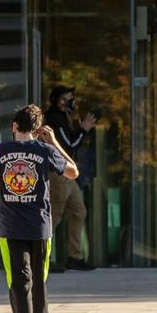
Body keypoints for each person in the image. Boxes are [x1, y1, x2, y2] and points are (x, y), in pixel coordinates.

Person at [0, 103, 75, 313]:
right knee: (39, 283)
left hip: (11, 228)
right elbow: (73, 172)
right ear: (37, 130)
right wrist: (55, 142)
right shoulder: (44, 149)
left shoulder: (2, 151)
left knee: (19, 284)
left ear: (14, 126)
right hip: (40, 227)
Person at [41, 85, 97, 271]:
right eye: (69, 97)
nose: (73, 101)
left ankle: (75, 256)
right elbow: (68, 144)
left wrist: (80, 129)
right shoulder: (55, 119)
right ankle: (43, 259)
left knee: (79, 211)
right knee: (53, 217)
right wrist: (84, 130)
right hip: (58, 174)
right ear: (60, 101)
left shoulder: (63, 117)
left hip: (67, 175)